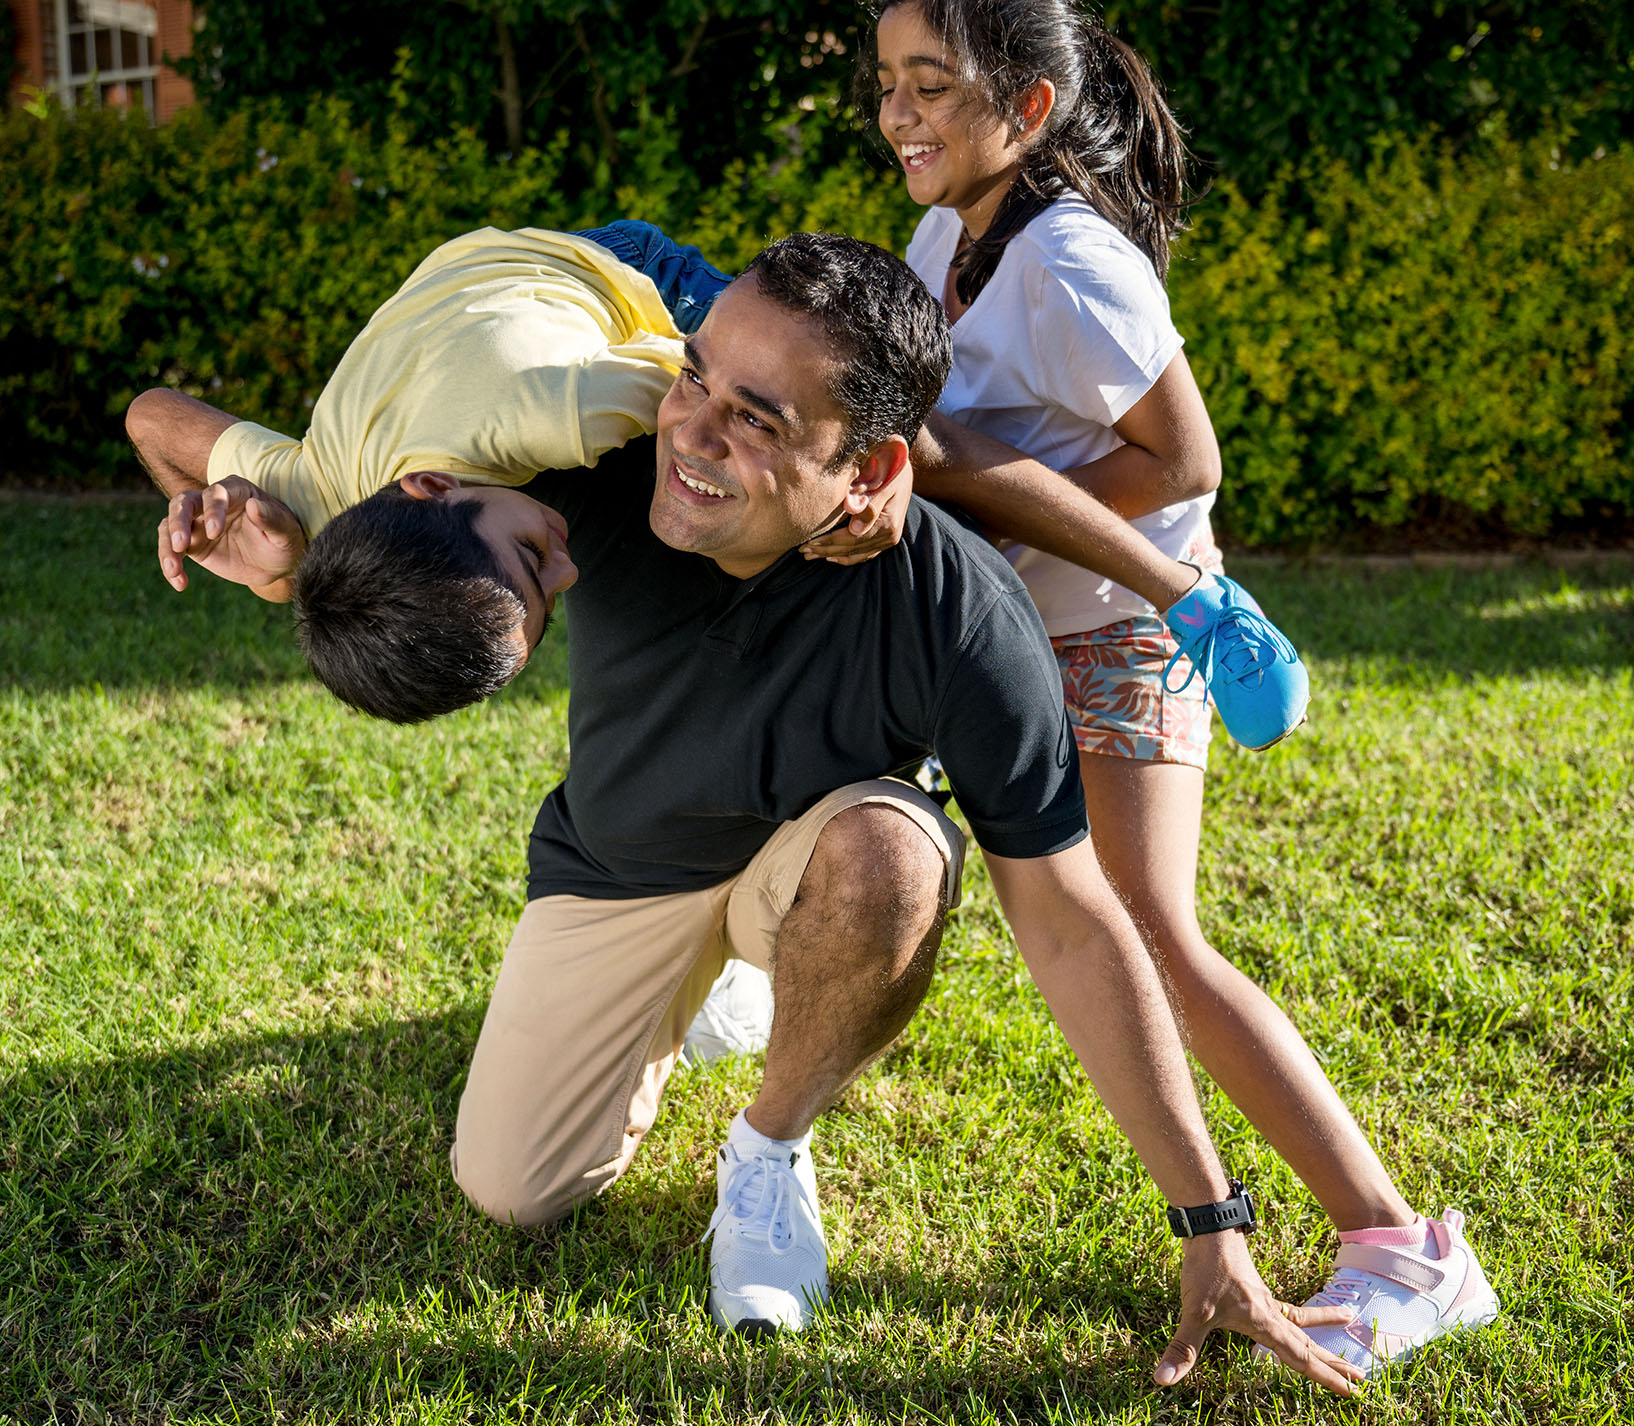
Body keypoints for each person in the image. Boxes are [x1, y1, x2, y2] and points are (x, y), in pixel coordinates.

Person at [132, 227, 1362, 1394]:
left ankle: (768, 1147)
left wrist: (1210, 1217)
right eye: (694, 377)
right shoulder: (580, 471)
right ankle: (712, 986)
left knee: (889, 852)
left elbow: (1072, 921)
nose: (692, 434)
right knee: (509, 1189)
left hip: (819, 855)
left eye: (754, 419)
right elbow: (391, 527)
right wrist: (276, 554)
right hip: (620, 863)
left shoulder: (965, 617)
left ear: (872, 473)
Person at [869, 0, 1498, 1378]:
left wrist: (1008, 519)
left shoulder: (1072, 263)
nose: (898, 113)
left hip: (1124, 625)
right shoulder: (944, 239)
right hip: (1017, 631)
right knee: (1061, 919)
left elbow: (1184, 459)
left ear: (1026, 109)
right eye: (885, 84)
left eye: (931, 85)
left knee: (1149, 930)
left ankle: (1404, 1247)